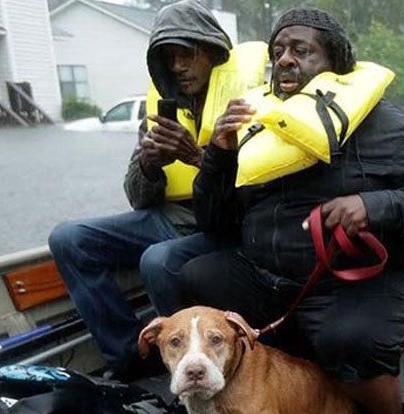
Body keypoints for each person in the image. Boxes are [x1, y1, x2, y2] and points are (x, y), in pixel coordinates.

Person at [180, 8, 404, 414]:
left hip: (362, 276)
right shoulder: (262, 124)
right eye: (277, 52)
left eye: (302, 50)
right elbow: (213, 222)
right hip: (273, 272)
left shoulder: (383, 124)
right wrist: (217, 154)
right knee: (196, 276)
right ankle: (242, 402)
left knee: (349, 337)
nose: (285, 60)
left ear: (335, 62)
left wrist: (374, 205)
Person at [49, 0, 252, 380]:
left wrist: (196, 156)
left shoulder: (247, 99)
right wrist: (148, 164)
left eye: (186, 55)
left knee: (157, 260)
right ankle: (130, 357)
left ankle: (194, 373)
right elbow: (138, 197)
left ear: (211, 50)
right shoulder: (161, 106)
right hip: (169, 218)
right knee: (68, 239)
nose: (177, 67)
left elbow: (256, 189)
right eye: (168, 58)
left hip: (224, 226)